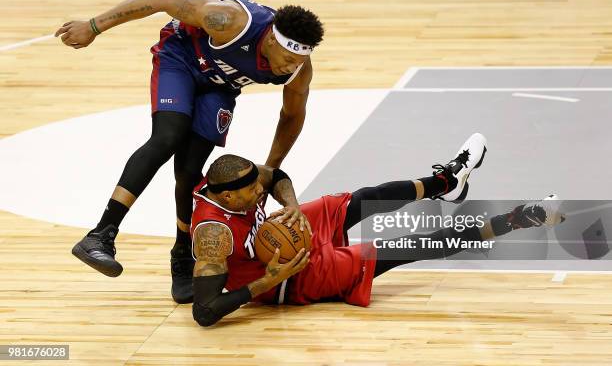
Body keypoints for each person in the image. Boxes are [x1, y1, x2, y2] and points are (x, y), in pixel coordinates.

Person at [54, 0, 324, 303]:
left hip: (219, 85)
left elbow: (291, 116)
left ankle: (182, 253)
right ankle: (101, 234)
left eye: (299, 62)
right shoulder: (230, 21)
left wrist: (271, 169)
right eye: (289, 59)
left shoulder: (298, 71)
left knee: (190, 170)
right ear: (272, 41)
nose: (292, 67)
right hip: (181, 59)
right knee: (168, 136)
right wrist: (93, 26)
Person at [188, 133, 564, 326]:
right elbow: (204, 311)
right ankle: (521, 218)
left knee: (367, 197)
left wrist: (290, 207)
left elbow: (277, 176)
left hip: (284, 232)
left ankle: (448, 182)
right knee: (404, 246)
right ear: (227, 196)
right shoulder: (212, 236)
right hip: (289, 278)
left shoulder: (235, 178)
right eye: (252, 192)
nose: (259, 192)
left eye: (258, 186)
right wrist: (267, 282)